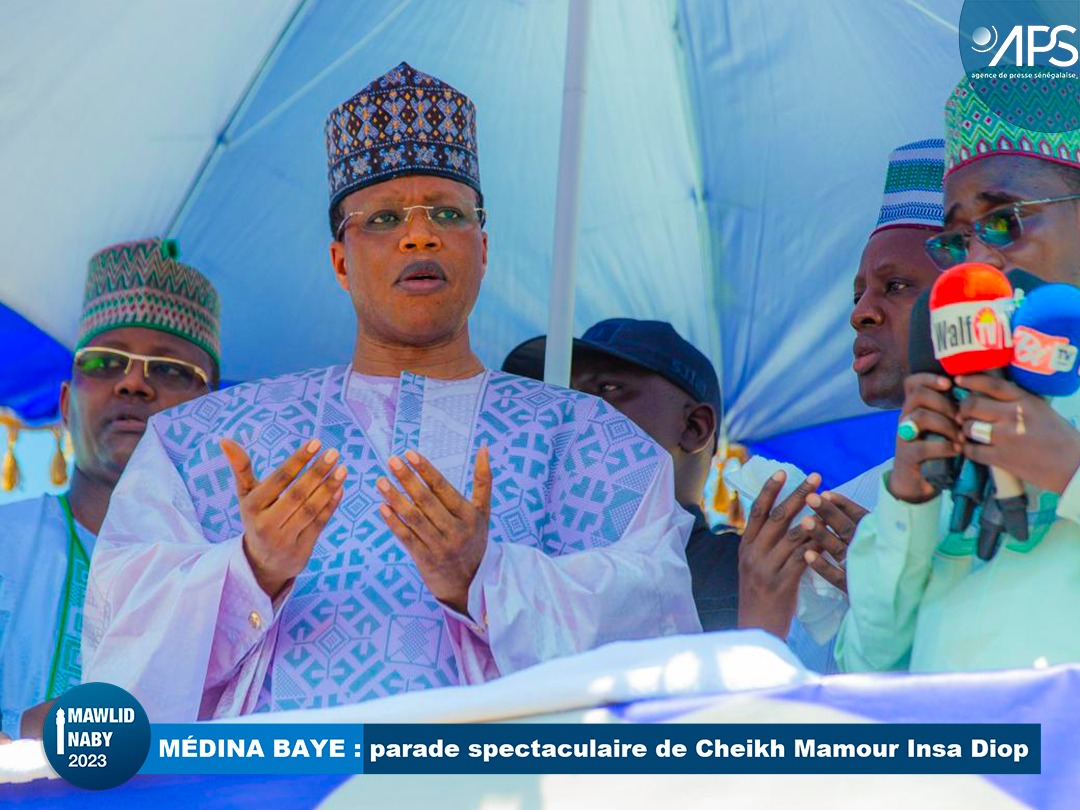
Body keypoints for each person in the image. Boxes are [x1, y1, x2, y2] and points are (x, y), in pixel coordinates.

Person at [82, 63, 700, 721]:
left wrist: (487, 579)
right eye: (382, 218)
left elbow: (657, 644)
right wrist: (250, 569)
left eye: (447, 213)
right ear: (341, 262)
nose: (420, 234)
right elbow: (117, 667)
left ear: (482, 248)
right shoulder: (202, 442)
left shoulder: (597, 447)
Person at [836, 76, 1080, 672]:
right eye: (957, 238)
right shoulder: (953, 403)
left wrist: (1069, 469)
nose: (978, 259)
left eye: (1004, 221)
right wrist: (910, 500)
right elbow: (867, 667)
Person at [735, 140, 946, 667]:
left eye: (894, 286)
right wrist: (764, 604)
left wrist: (888, 596)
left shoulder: (1042, 463)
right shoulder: (842, 514)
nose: (861, 314)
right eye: (858, 295)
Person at [0, 238, 220, 738]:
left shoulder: (242, 575)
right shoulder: (5, 543)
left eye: (170, 369)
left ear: (213, 413)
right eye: (104, 362)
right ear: (64, 403)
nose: (134, 384)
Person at [502, 318, 738, 631]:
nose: (568, 410)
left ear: (695, 427)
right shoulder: (519, 574)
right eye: (563, 394)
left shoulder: (755, 572)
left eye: (607, 389)